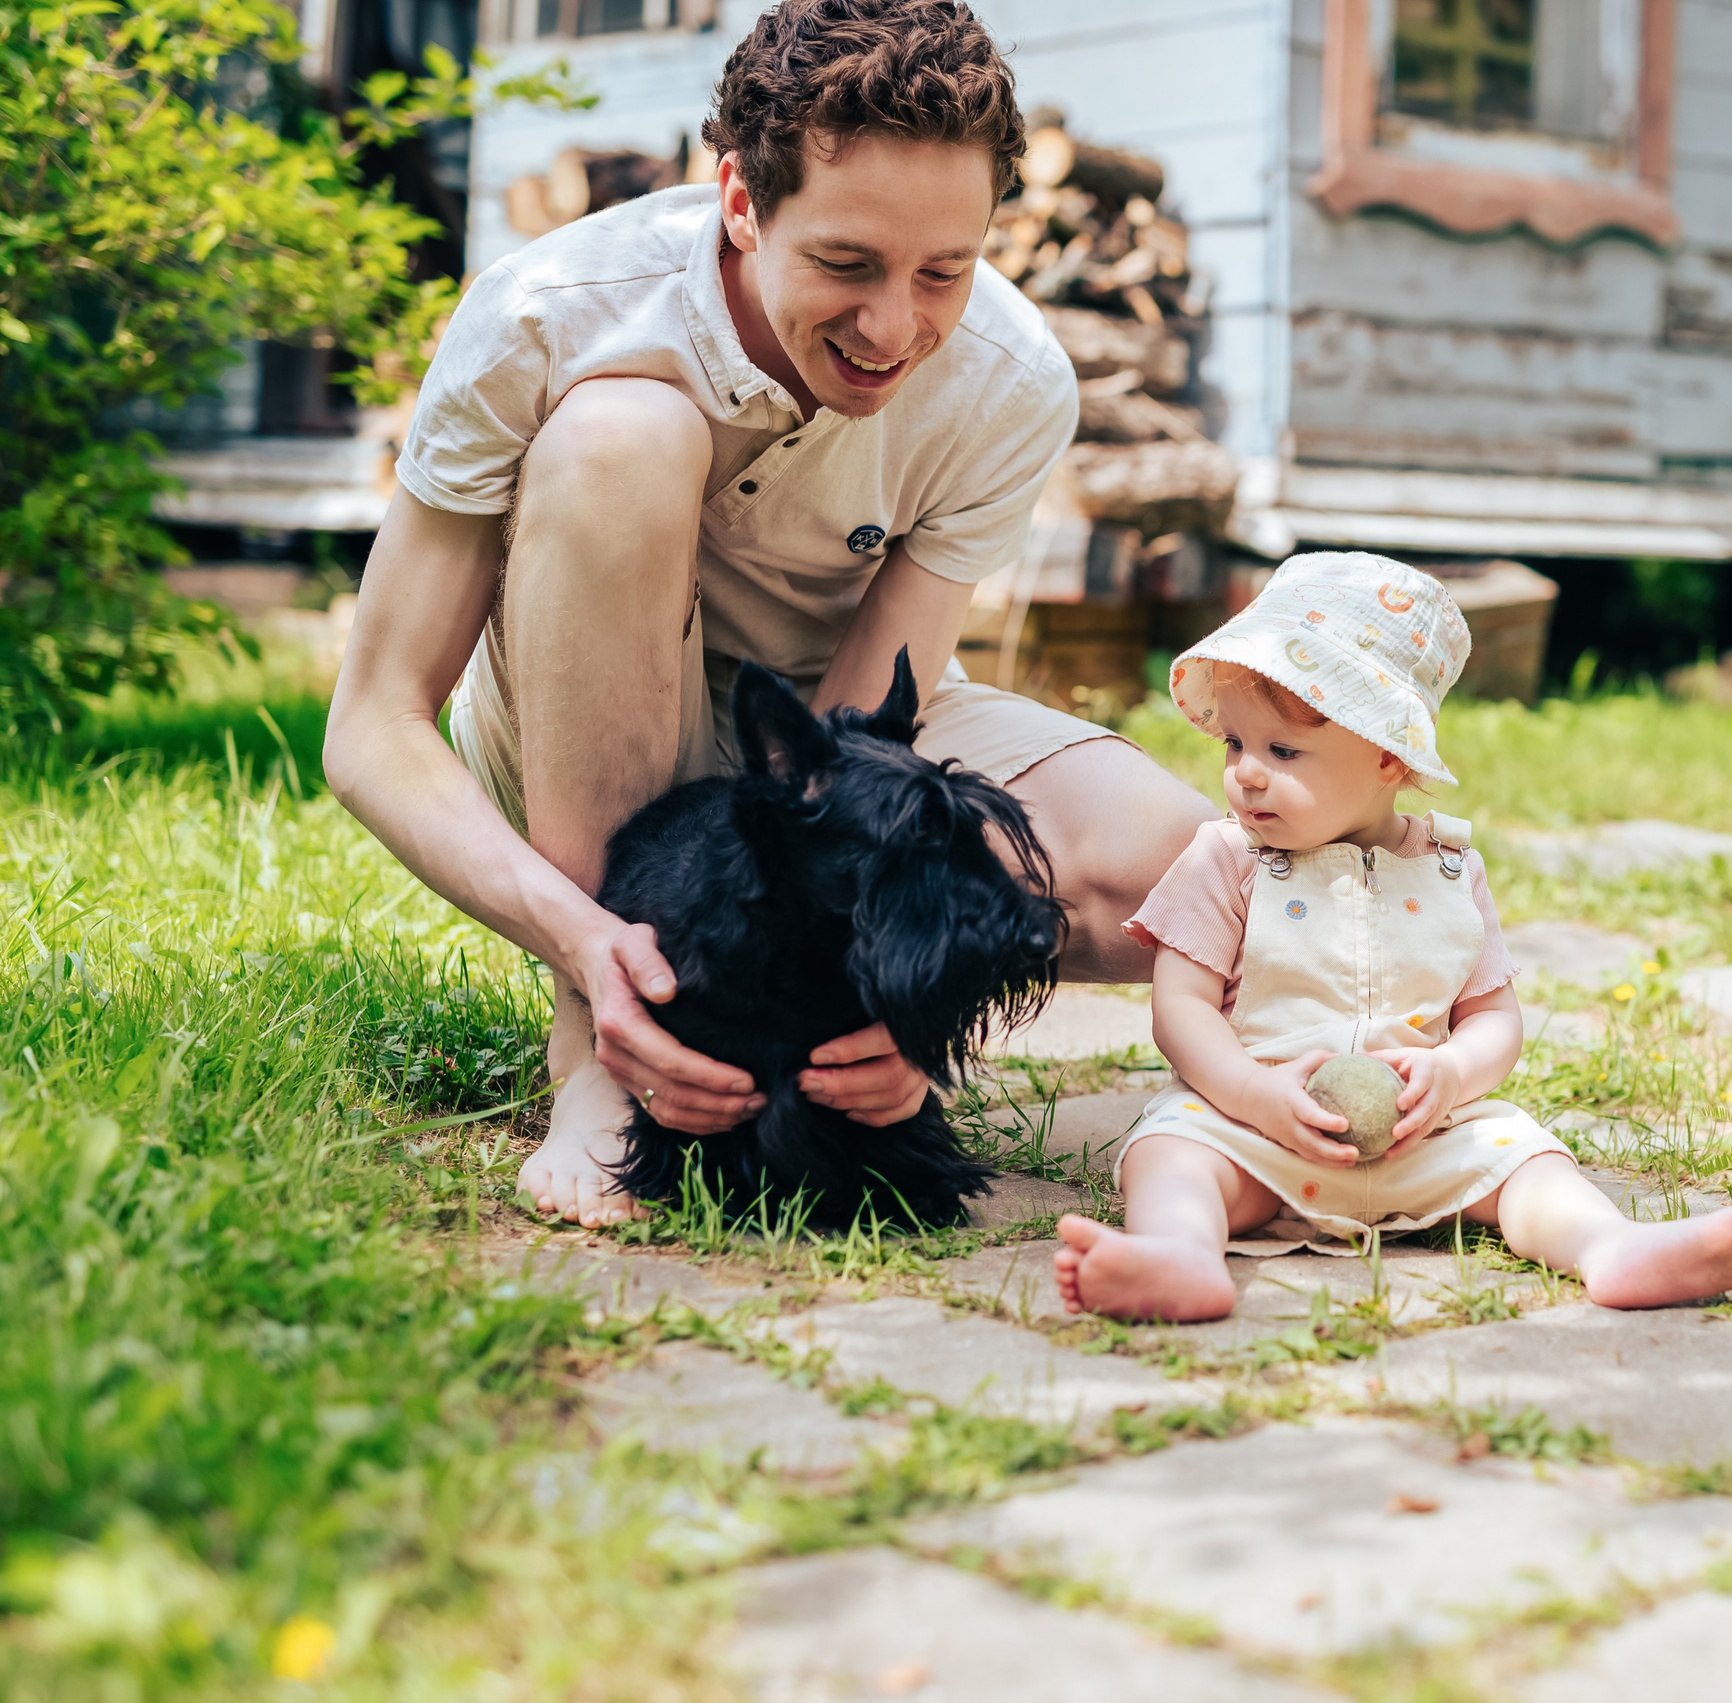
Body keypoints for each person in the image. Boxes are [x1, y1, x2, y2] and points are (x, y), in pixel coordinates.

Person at [323, 0, 1214, 1229]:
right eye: (845, 264)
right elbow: (372, 723)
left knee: (1189, 879)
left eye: (943, 272)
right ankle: (603, 1054)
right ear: (741, 200)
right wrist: (580, 940)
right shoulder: (548, 312)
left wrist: (893, 1008)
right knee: (621, 433)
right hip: (573, 726)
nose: (894, 328)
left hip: (812, 742)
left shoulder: (1010, 381)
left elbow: (859, 735)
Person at [1052, 553, 1732, 1321]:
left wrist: (1454, 1075)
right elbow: (1181, 1008)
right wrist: (1253, 1095)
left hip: (1424, 1142)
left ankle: (1613, 1247)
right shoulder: (1226, 859)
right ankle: (1180, 1254)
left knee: (1529, 1161)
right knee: (1172, 1153)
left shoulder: (1451, 869)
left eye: (1282, 750)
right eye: (1235, 743)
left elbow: (1493, 1018)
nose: (1246, 774)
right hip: (1257, 1137)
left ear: (1387, 755)